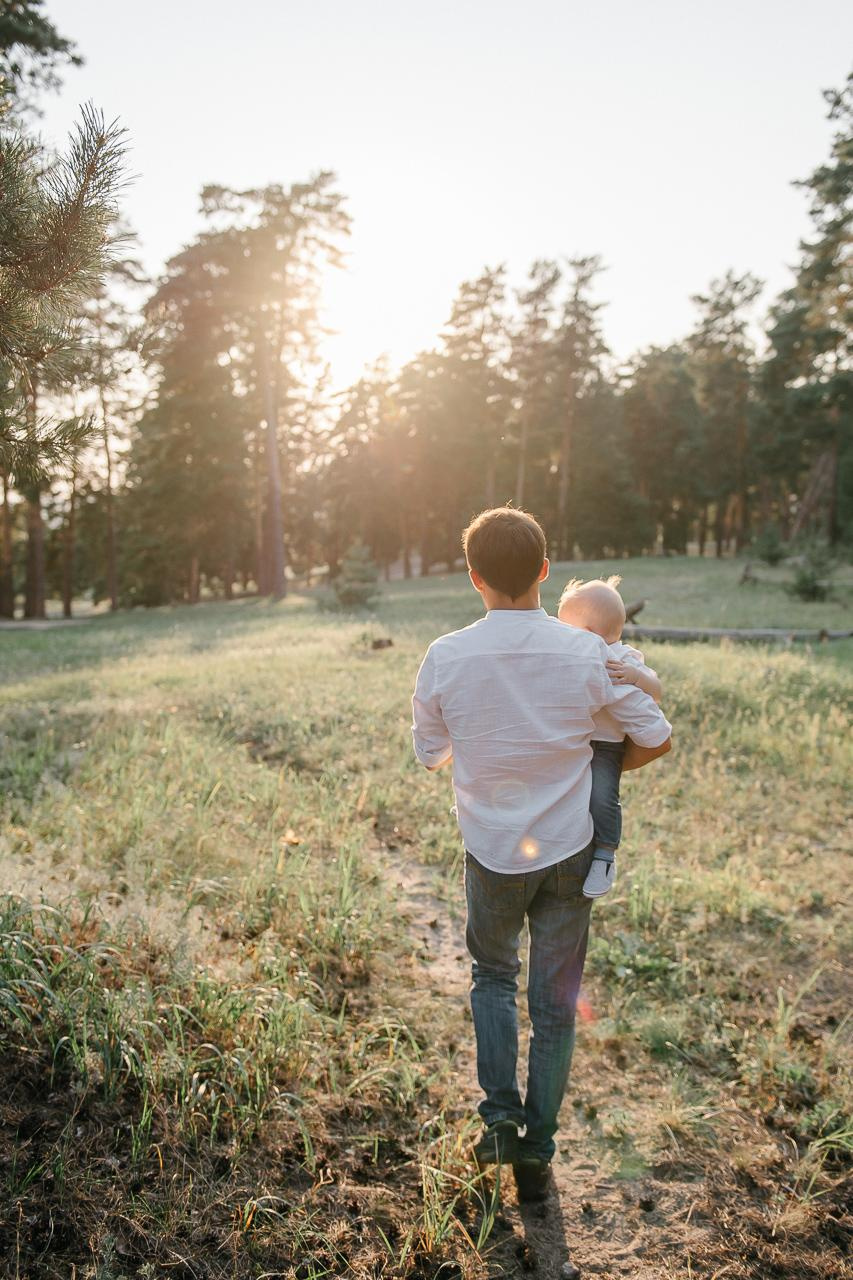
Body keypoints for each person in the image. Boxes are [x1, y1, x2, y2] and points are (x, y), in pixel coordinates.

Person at [411, 508, 672, 1204]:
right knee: (554, 1007)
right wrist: (594, 774)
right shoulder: (586, 651)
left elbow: (428, 753)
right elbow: (653, 730)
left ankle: (498, 1121)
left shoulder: (445, 655)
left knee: (492, 978)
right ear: (544, 571)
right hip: (568, 849)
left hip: (493, 853)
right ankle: (538, 1153)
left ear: (473, 578)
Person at [556, 576, 663, 900]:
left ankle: (605, 853)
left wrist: (639, 677)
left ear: (588, 636)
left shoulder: (625, 659)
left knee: (602, 795)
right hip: (573, 739)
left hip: (606, 745)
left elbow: (656, 693)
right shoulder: (570, 654)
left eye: (566, 629)